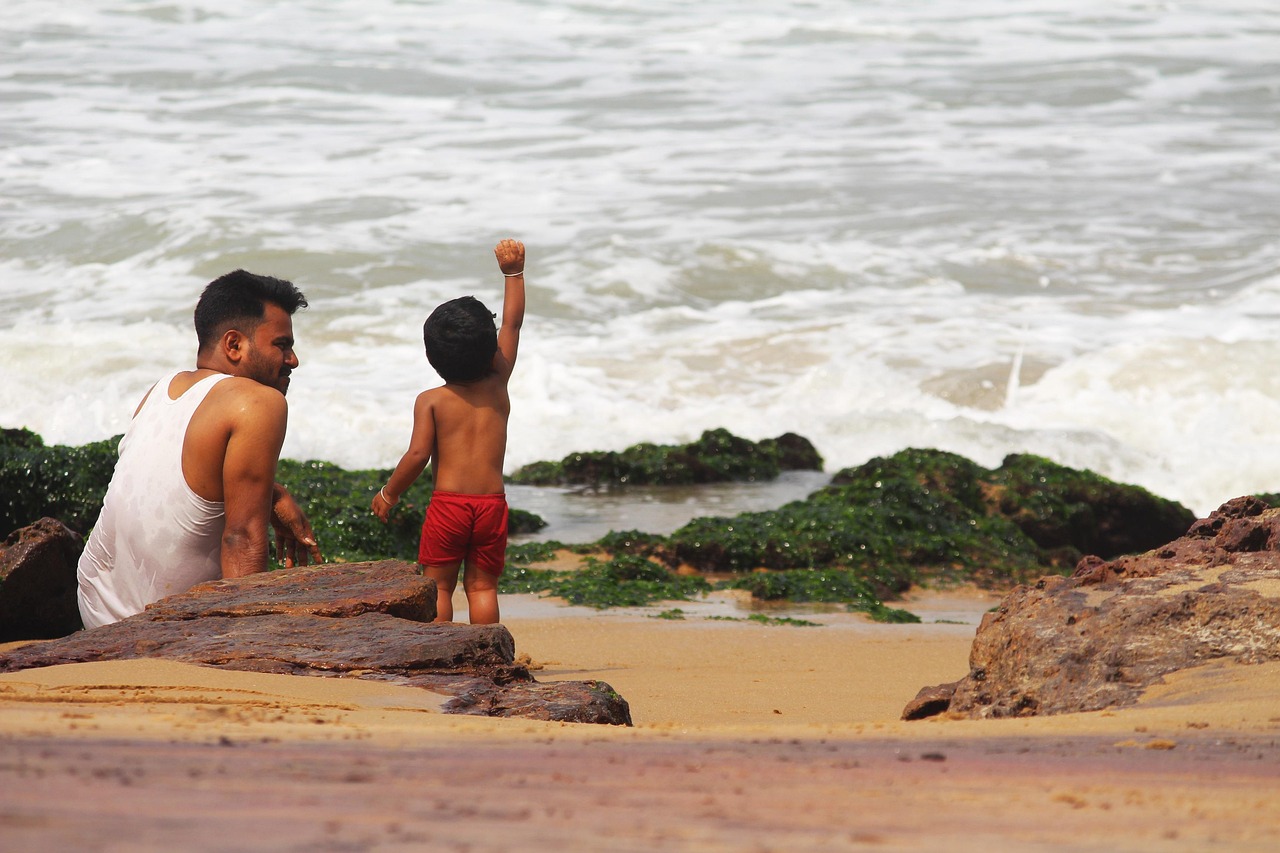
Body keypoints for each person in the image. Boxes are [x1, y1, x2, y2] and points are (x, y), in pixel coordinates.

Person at [77, 270, 323, 629]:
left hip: (92, 604)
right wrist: (250, 644)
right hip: (158, 627)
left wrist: (271, 494)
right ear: (234, 345)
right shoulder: (260, 402)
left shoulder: (164, 387)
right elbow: (242, 538)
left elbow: (170, 482)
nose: (293, 360)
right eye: (282, 345)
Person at [371, 239, 526, 624]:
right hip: (492, 505)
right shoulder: (498, 381)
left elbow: (417, 457)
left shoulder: (432, 400)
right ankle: (488, 654)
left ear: (433, 357)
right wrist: (513, 273)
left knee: (439, 585)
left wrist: (389, 494)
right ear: (490, 349)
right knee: (483, 587)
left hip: (449, 506)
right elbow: (513, 322)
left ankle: (443, 651)